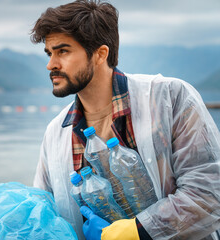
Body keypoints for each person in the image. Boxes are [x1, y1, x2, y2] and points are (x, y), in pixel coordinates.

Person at [30, 0, 220, 239]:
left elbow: (209, 192)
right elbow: (43, 210)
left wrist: (139, 231)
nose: (50, 65)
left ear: (100, 54)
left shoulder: (170, 98)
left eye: (63, 51)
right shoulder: (55, 133)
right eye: (49, 53)